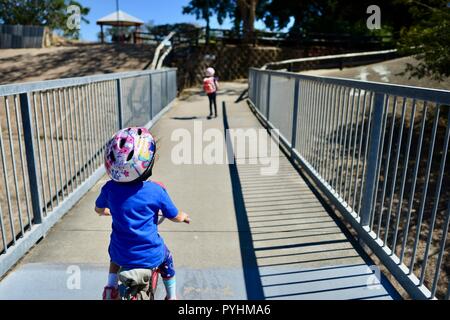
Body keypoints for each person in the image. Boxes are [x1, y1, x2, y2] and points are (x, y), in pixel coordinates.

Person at [95, 127, 190, 300]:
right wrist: (182, 217)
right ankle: (171, 296)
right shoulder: (156, 191)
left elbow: (98, 209)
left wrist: (106, 211)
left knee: (114, 255)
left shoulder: (109, 189)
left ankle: (110, 286)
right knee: (167, 259)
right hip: (151, 254)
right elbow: (174, 215)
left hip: (121, 253)